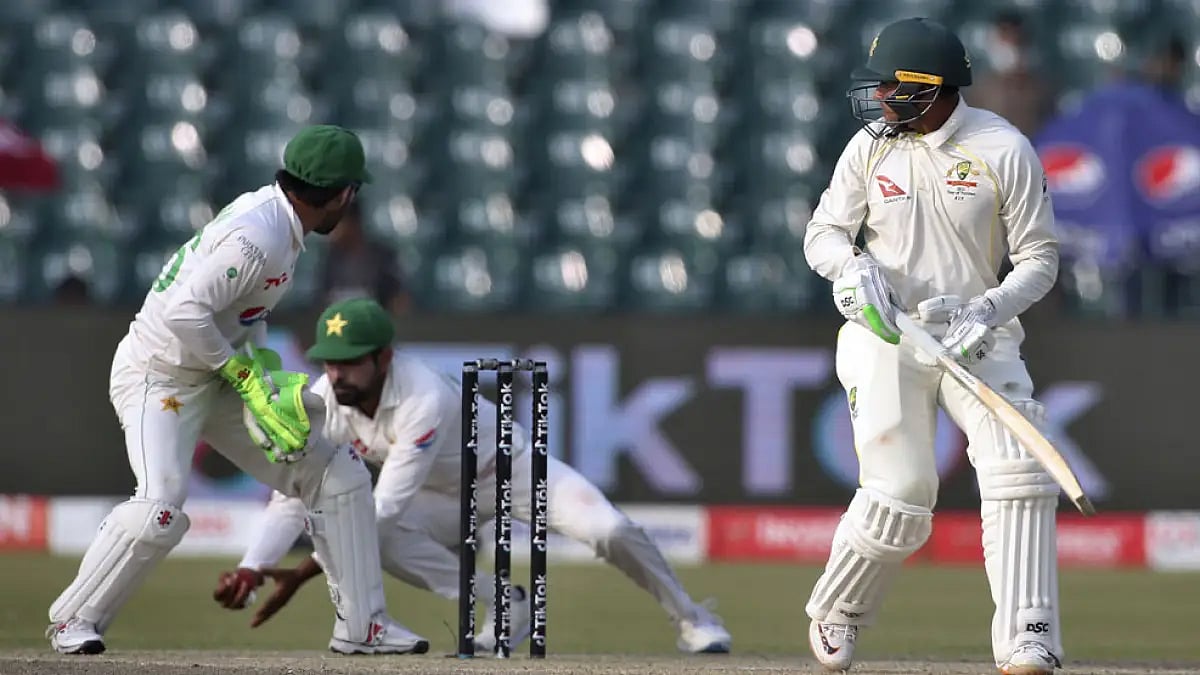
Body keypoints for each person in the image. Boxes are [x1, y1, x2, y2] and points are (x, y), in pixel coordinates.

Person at [46, 125, 429, 656]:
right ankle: (73, 619)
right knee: (161, 507)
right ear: (342, 194)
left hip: (217, 374)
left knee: (337, 474)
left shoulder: (281, 225)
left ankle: (363, 626)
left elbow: (243, 314)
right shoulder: (261, 235)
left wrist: (260, 374)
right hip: (159, 375)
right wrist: (243, 375)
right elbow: (184, 314)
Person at [210, 297, 733, 655]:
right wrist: (253, 566)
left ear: (383, 357)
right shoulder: (326, 401)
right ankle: (505, 603)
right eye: (329, 362)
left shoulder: (422, 397)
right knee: (361, 527)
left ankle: (694, 619)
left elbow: (383, 509)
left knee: (610, 531)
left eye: (349, 362)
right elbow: (294, 494)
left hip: (512, 472)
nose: (336, 373)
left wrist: (304, 572)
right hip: (439, 496)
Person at [803, 18, 1061, 675]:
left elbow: (1040, 259)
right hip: (888, 332)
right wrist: (851, 271)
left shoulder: (1004, 148)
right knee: (902, 494)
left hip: (976, 331)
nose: (881, 98)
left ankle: (1029, 636)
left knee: (1019, 470)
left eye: (894, 86)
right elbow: (823, 233)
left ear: (934, 86)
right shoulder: (869, 147)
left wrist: (990, 306)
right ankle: (839, 607)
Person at [968, 10, 1056, 139]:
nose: (1012, 47)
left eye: (1018, 40)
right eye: (1006, 39)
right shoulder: (980, 91)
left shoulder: (1042, 89)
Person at [320, 200, 411, 315]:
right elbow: (321, 299)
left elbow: (400, 300)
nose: (329, 232)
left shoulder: (383, 257)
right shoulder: (331, 259)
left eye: (334, 224)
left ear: (353, 223)